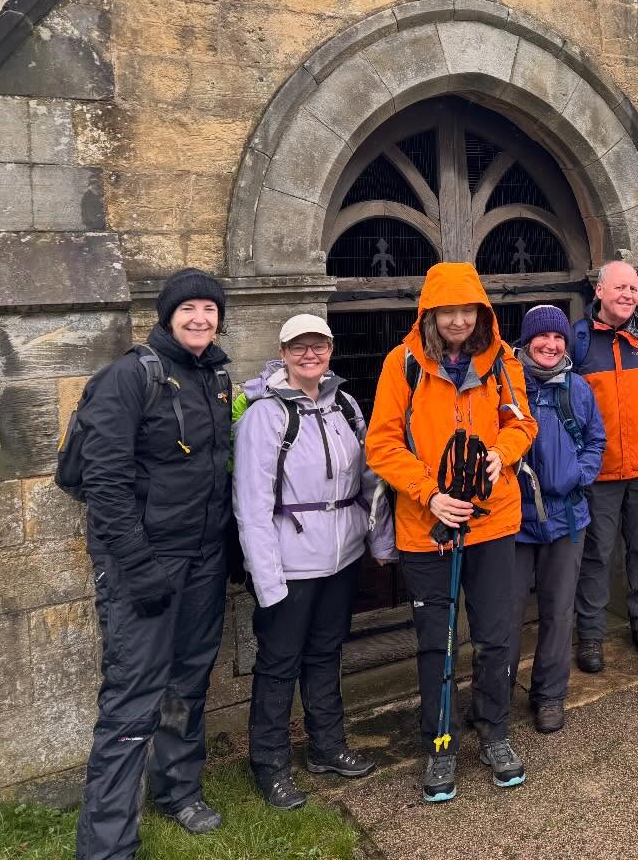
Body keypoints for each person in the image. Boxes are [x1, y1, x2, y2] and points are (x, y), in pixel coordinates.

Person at [74, 269, 234, 858]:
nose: (200, 318)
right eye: (188, 308)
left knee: (188, 681)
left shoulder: (216, 376)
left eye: (209, 309)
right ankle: (107, 844)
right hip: (143, 563)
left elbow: (213, 470)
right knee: (132, 697)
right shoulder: (128, 377)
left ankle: (177, 790)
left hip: (204, 558)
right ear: (167, 316)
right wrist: (139, 567)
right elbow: (104, 482)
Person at [364, 263, 536, 803]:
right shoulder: (403, 364)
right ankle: (440, 742)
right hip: (428, 528)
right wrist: (429, 493)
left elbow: (522, 423)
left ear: (482, 313)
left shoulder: (503, 361)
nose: (459, 321)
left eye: (468, 310)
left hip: (492, 520)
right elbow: (382, 444)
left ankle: (494, 732)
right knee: (435, 642)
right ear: (430, 314)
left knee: (495, 636)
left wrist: (502, 455)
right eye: (448, 311)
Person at [232, 314, 397, 810]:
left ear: (330, 350)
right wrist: (267, 580)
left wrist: (380, 543)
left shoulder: (345, 405)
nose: (310, 355)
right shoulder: (265, 416)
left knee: (326, 653)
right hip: (290, 563)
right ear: (282, 353)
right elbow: (252, 505)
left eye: (319, 345)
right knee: (279, 663)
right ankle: (270, 763)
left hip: (342, 557)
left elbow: (370, 481)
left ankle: (326, 746)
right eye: (299, 347)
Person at [571, 261, 638, 671]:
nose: (628, 295)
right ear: (599, 291)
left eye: (634, 288)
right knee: (596, 554)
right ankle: (591, 635)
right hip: (600, 472)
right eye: (620, 287)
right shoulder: (578, 341)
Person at [511, 306, 606, 733]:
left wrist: (578, 475)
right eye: (542, 337)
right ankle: (494, 696)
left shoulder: (578, 388)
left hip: (567, 517)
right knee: (504, 616)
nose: (550, 346)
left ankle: (549, 695)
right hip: (514, 521)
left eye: (558, 338)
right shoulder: (507, 384)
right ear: (527, 341)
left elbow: (596, 439)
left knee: (558, 611)